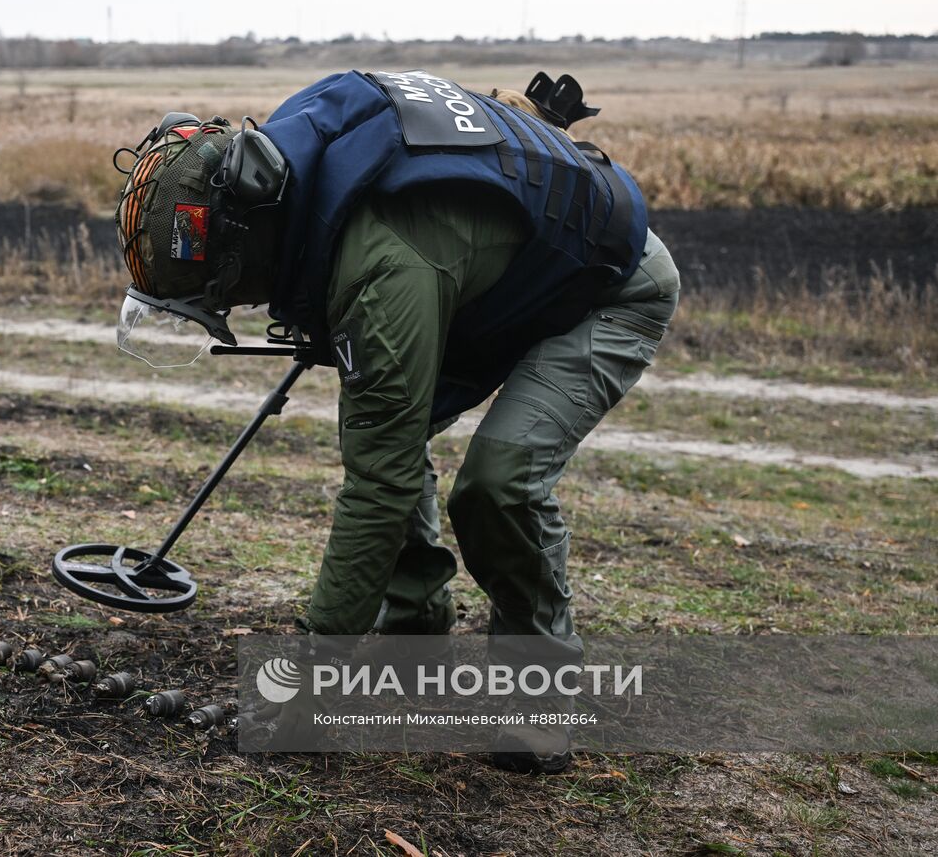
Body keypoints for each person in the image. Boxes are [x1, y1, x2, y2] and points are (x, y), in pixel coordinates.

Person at [111, 69, 680, 772]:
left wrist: (306, 690)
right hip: (489, 271)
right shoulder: (297, 158)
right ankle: (415, 636)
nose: (232, 306)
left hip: (606, 284)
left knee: (496, 484)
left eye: (218, 293)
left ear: (244, 240)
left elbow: (380, 487)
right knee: (381, 427)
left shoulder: (381, 265)